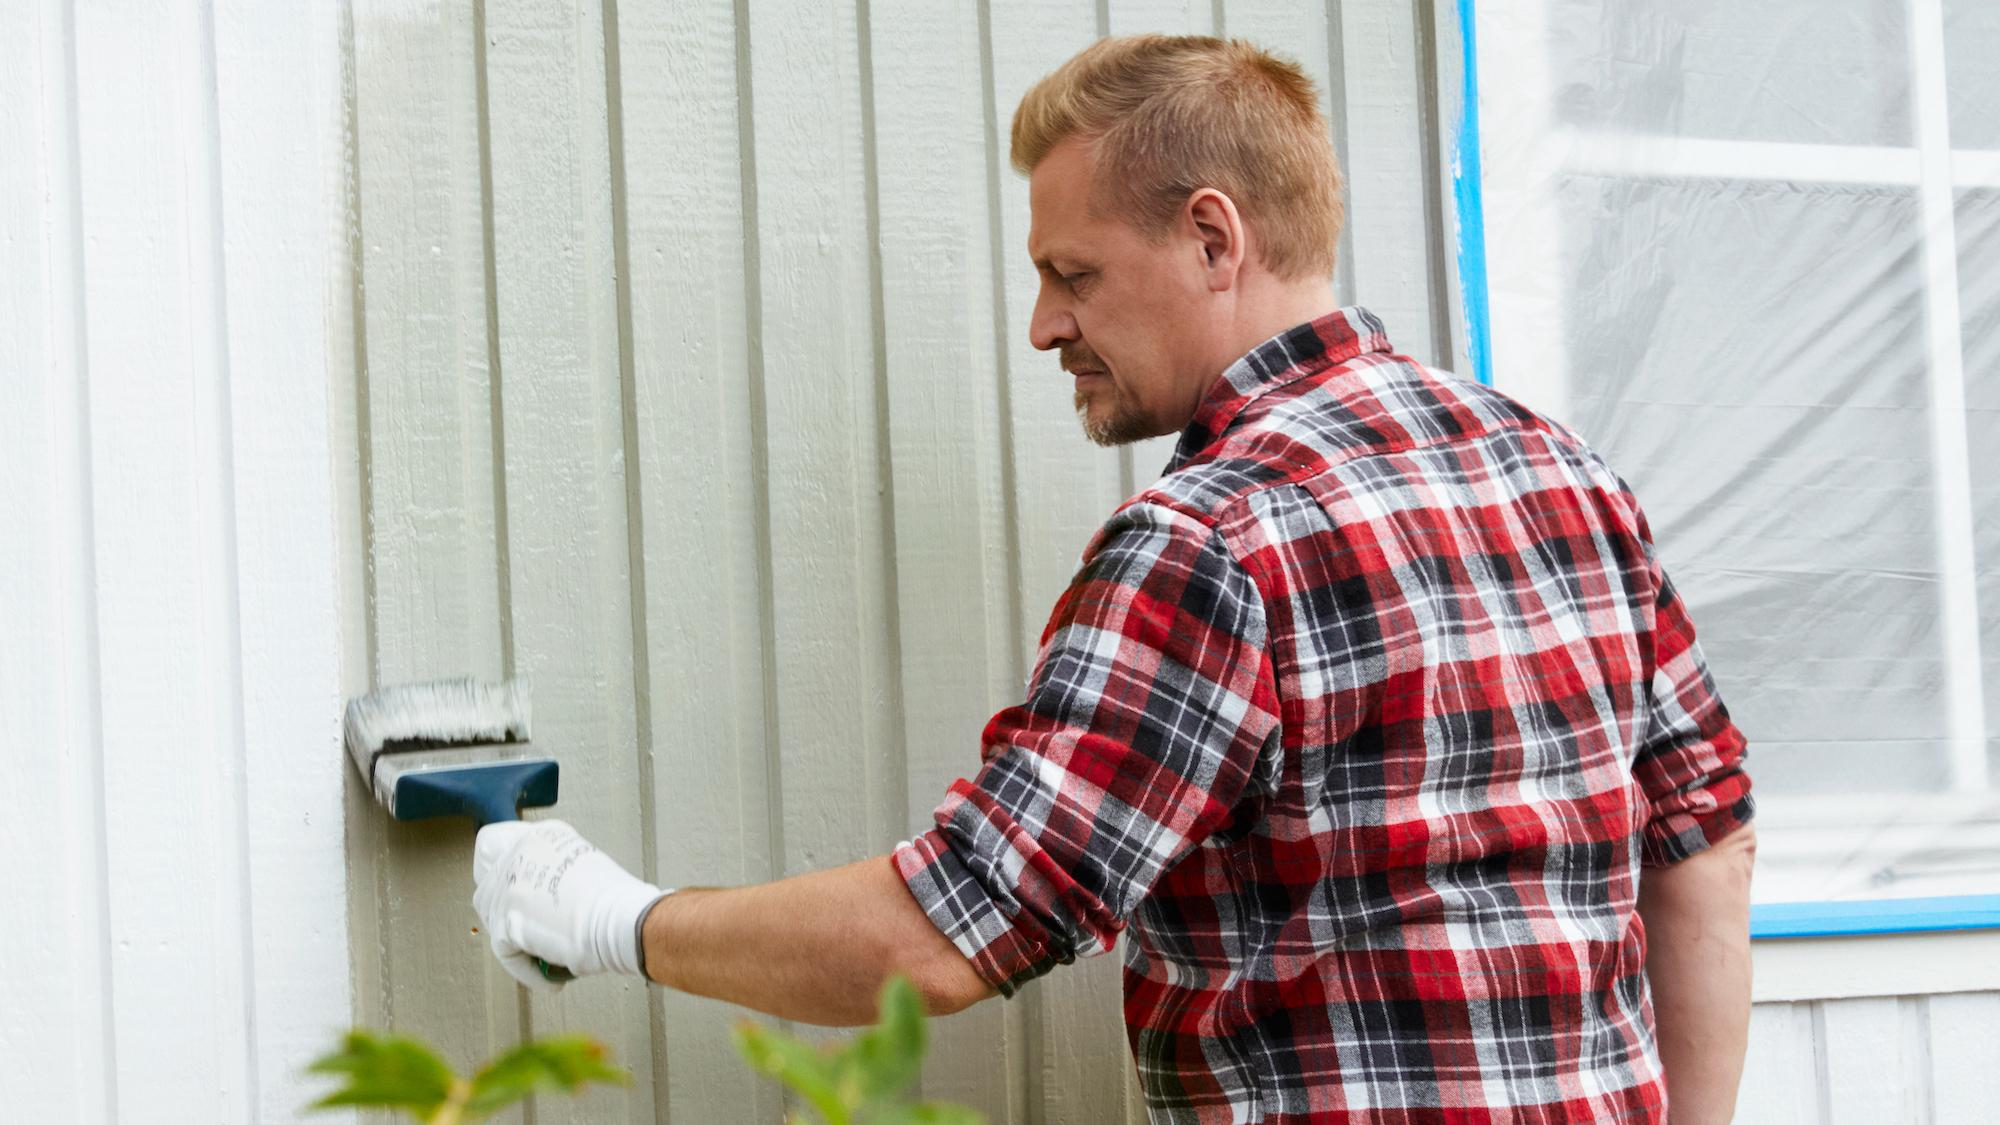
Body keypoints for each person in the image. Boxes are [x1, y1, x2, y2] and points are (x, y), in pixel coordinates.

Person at [471, 34, 1756, 1124]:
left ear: (1212, 237)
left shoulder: (1212, 539)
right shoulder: (1558, 471)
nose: (1042, 325)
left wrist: (611, 917)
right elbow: (1704, 838)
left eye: (1069, 273)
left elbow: (948, 930)